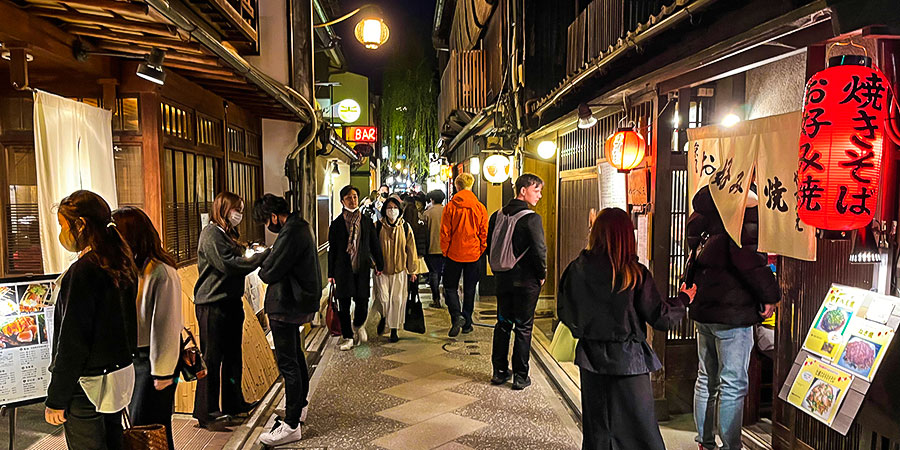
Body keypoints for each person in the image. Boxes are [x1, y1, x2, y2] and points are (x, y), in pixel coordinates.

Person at [558, 207, 691, 450]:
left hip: (591, 359)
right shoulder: (634, 274)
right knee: (640, 431)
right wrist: (683, 299)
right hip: (629, 362)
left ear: (595, 233)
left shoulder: (576, 270)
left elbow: (565, 311)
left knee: (599, 428)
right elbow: (660, 317)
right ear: (627, 236)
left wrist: (587, 330)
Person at [45, 190, 139, 450]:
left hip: (87, 384)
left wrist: (57, 397)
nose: (62, 234)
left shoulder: (84, 270)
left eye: (63, 226)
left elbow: (73, 340)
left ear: (81, 225)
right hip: (118, 376)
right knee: (113, 441)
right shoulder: (121, 262)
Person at [687, 185, 778, 450]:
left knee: (706, 379)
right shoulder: (742, 210)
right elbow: (750, 261)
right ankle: (730, 447)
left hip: (704, 307)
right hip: (733, 313)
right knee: (733, 385)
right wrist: (771, 295)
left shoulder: (702, 212)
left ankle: (705, 442)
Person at [193, 191, 269, 429]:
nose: (240, 215)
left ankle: (234, 403)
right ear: (223, 209)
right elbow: (229, 265)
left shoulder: (225, 234)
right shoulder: (211, 234)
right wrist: (259, 258)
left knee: (233, 357)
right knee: (212, 359)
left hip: (229, 302)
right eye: (237, 210)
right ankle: (207, 411)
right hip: (212, 304)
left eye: (242, 210)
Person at [252, 194, 322, 446]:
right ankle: (299, 408)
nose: (268, 226)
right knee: (297, 358)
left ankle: (291, 425)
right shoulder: (300, 226)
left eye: (266, 221)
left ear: (273, 216)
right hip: (296, 303)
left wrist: (262, 262)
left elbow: (269, 272)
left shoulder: (291, 232)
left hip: (286, 305)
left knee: (288, 364)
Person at [112, 207, 182, 450]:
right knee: (144, 430)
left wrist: (162, 372)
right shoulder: (134, 269)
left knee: (148, 429)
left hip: (152, 363)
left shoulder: (161, 271)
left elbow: (167, 325)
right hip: (135, 360)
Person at [487, 173, 547, 390]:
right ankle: (521, 376)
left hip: (502, 279)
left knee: (503, 323)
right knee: (523, 326)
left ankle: (499, 371)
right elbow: (539, 250)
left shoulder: (496, 215)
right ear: (523, 190)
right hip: (526, 281)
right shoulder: (531, 218)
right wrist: (542, 274)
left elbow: (489, 245)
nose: (539, 195)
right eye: (536, 190)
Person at [329, 185, 385, 351]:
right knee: (344, 305)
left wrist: (379, 264)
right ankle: (347, 337)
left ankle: (358, 325)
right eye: (348, 198)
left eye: (354, 197)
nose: (352, 200)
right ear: (342, 201)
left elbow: (374, 244)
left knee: (362, 302)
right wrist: (330, 273)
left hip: (361, 268)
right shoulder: (337, 224)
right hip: (343, 270)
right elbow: (333, 250)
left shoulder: (366, 222)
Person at [440, 173, 488, 337]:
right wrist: (481, 249)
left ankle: (456, 315)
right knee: (469, 289)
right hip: (473, 253)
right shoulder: (479, 207)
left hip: (454, 253)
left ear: (456, 186)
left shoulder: (451, 207)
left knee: (450, 287)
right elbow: (484, 232)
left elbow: (445, 232)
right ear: (471, 185)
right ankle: (467, 322)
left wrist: (445, 251)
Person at [373, 196, 419, 343]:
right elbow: (371, 249)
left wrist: (413, 270)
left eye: (395, 208)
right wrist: (374, 264)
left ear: (399, 210)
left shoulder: (405, 227)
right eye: (389, 208)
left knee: (397, 300)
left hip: (400, 270)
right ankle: (384, 317)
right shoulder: (377, 226)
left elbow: (411, 250)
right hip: (381, 271)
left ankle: (394, 329)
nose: (392, 211)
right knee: (384, 299)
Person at [403, 194, 428, 309]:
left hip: (404, 258)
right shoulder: (420, 226)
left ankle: (406, 301)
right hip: (417, 257)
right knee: (415, 283)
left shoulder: (403, 227)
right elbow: (423, 242)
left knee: (406, 282)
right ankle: (414, 298)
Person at [423, 190, 446, 308]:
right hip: (446, 248)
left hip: (432, 248)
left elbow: (424, 232)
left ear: (432, 199)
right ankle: (448, 296)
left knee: (433, 273)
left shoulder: (427, 214)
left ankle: (436, 299)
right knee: (445, 273)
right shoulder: (447, 211)